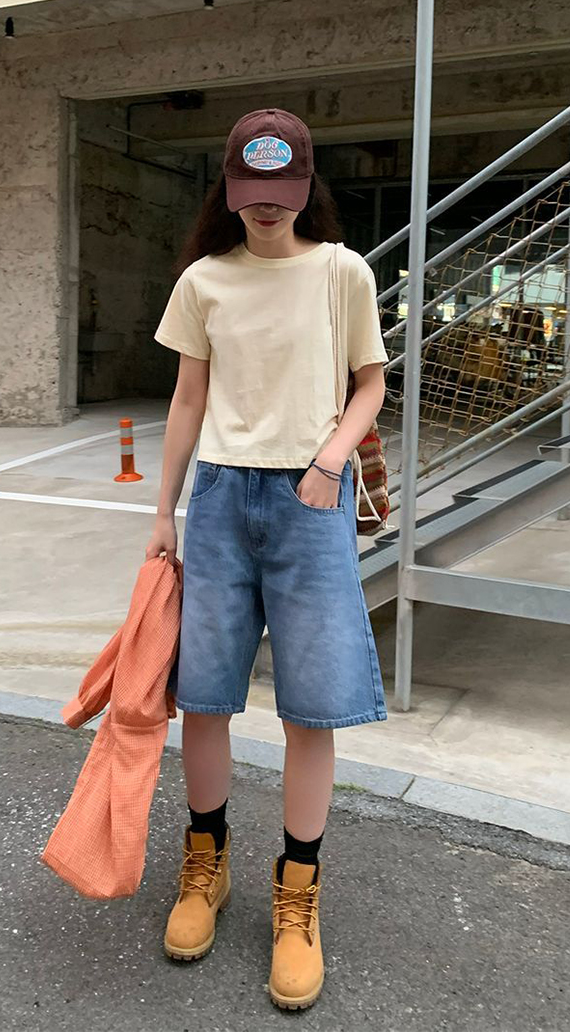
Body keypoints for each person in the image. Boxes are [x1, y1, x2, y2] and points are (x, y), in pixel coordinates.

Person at [146, 108, 390, 1010]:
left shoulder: (342, 272)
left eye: (282, 192)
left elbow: (370, 384)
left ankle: (298, 897)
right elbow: (186, 401)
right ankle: (205, 866)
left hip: (310, 500)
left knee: (311, 708)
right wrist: (163, 512)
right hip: (219, 500)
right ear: (229, 188)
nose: (267, 207)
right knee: (205, 697)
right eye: (251, 191)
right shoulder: (204, 280)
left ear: (305, 187)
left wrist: (329, 463)